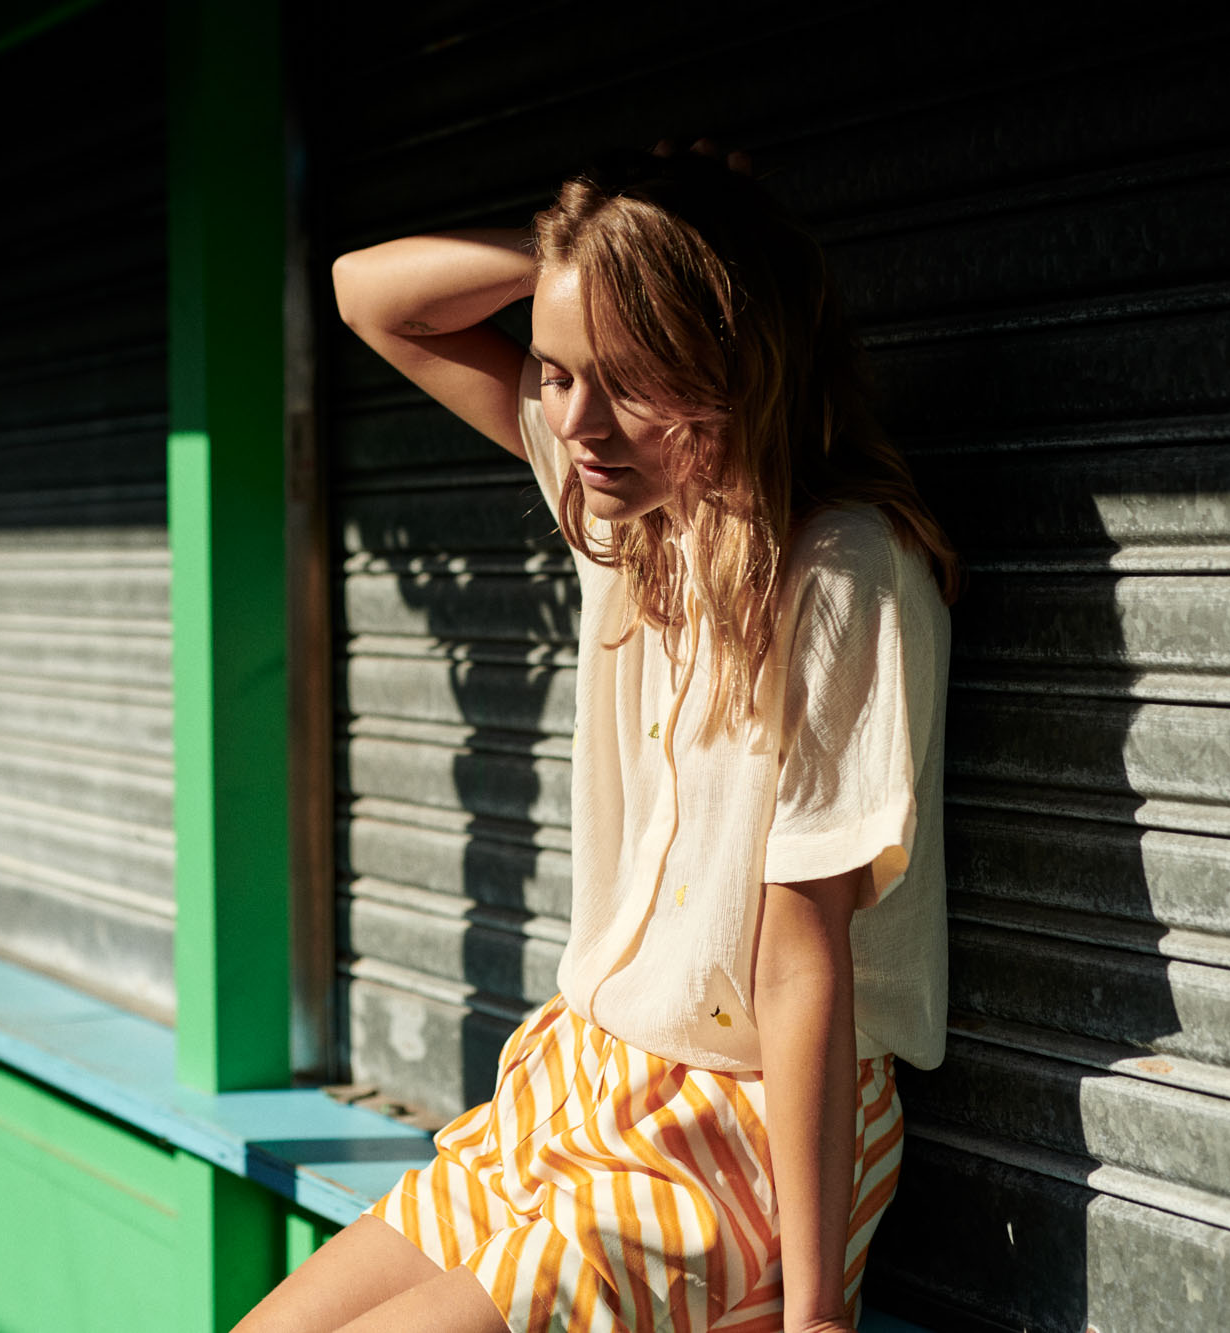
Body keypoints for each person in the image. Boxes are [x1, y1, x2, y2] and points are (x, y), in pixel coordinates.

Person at [239, 142, 960, 1333]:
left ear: (734, 365)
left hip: (736, 1125)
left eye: (624, 377)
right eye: (552, 370)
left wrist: (819, 1311)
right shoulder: (630, 517)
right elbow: (369, 294)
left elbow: (799, 953)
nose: (573, 421)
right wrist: (587, 252)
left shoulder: (843, 573)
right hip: (575, 1078)